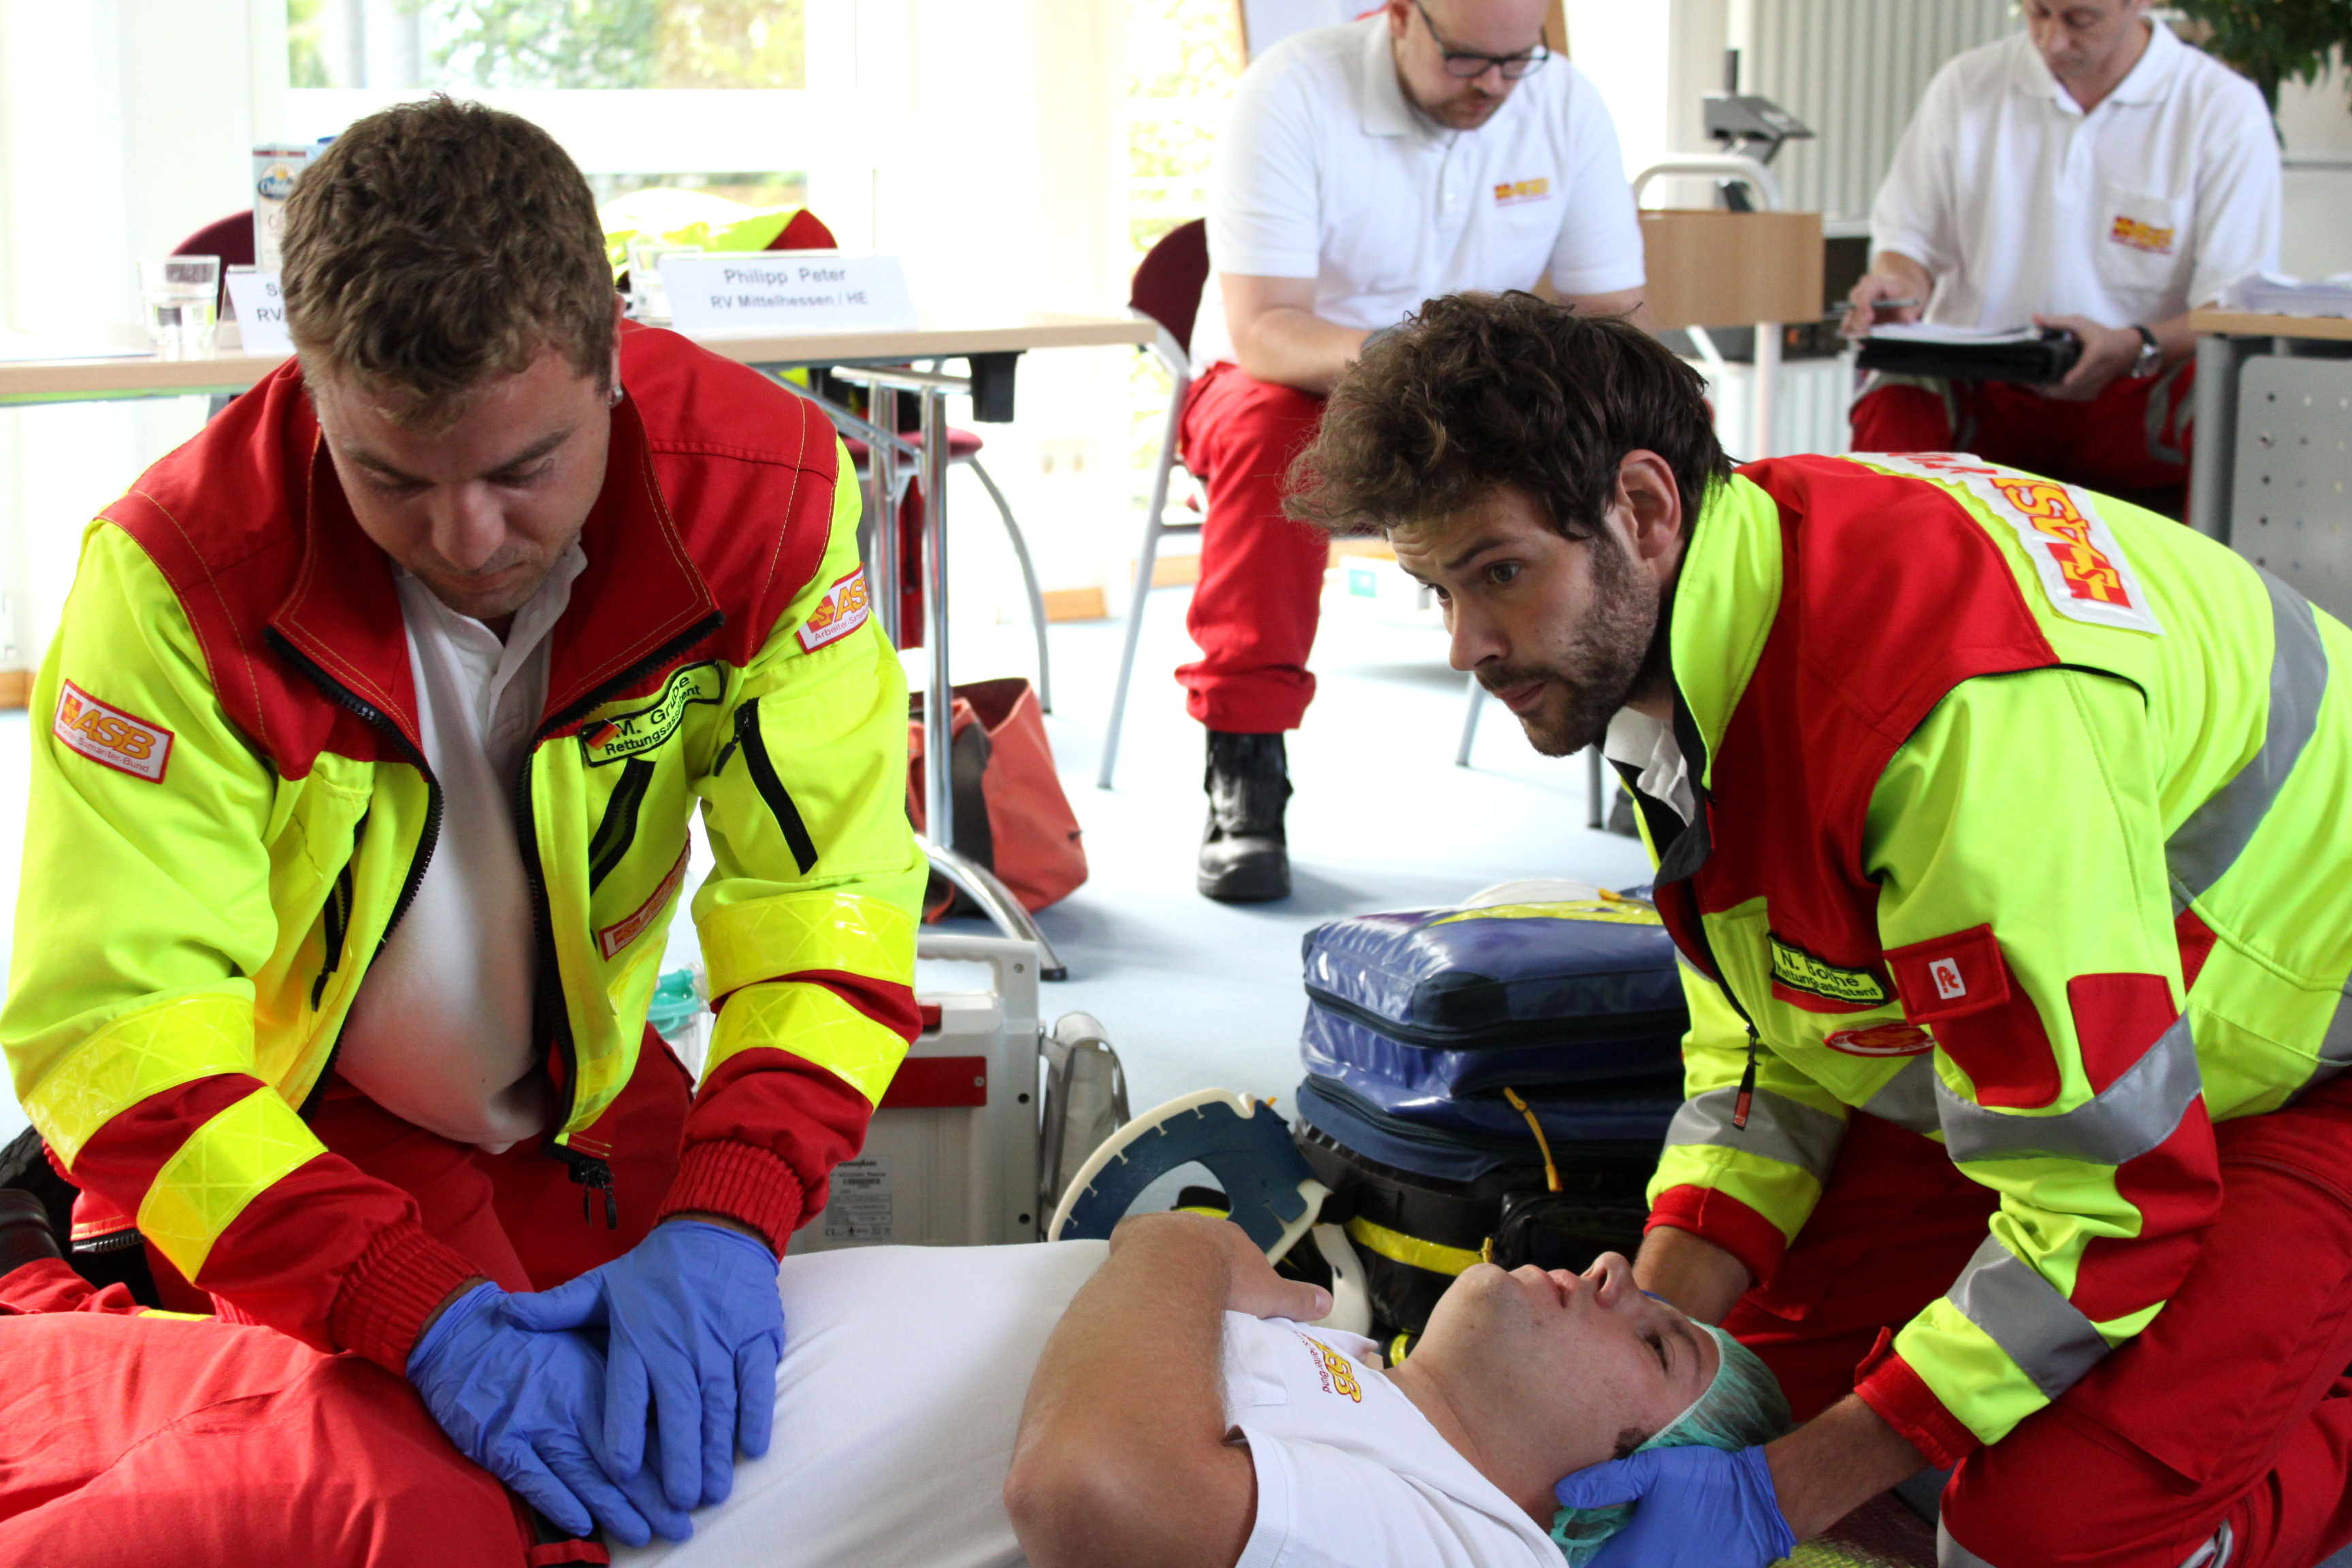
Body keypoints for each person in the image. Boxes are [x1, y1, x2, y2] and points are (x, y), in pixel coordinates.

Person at [1285, 289, 2352, 1568]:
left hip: (2304, 1078)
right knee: (1750, 1385)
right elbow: (1771, 1032)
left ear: (1640, 507)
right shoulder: (1682, 623)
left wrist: (1780, 1494)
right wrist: (1642, 1329)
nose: (1466, 643)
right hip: (2098, 1058)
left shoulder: (1946, 712)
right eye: (1435, 589)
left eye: (1497, 573)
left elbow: (2116, 1194)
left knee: (2036, 1529)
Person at [0, 97, 924, 1546]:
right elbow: (108, 1026)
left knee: (709, 1469)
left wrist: (737, 1201)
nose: (466, 540)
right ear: (310, 394)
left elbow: (832, 903)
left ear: (615, 366)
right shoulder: (175, 577)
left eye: (522, 468)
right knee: (434, 1509)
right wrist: (397, 1306)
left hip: (589, 1089)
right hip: (296, 1123)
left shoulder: (765, 501)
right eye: (392, 479)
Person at [0, 1183, 1786, 1568]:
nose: (1618, 1271)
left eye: (1654, 1333)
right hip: (489, 1385)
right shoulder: (1351, 1380)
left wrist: (1171, 1244)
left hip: (523, 1518)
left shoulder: (1460, 1549)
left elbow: (1085, 1489)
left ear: (1627, 1463)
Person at [1181, 0, 1646, 902]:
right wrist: (1417, 364)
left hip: (1475, 392)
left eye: (1519, 63)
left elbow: (1614, 315)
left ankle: (1658, 726)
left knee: (1648, 440)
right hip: (1303, 381)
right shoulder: (1290, 91)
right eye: (1470, 61)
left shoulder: (1565, 102)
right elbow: (1267, 327)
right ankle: (1246, 770)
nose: (1496, 89)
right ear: (1399, 16)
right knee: (1270, 437)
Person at [1842, 0, 2279, 517]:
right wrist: (1895, 285)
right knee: (1896, 393)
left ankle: (2216, 592)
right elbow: (1908, 245)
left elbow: (2230, 311)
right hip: (1987, 389)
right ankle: (1882, 587)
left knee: (2231, 403)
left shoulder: (2221, 108)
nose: (2051, 40)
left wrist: (2136, 346)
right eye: (2037, 14)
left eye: (2079, 20)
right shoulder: (1967, 85)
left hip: (2135, 394)